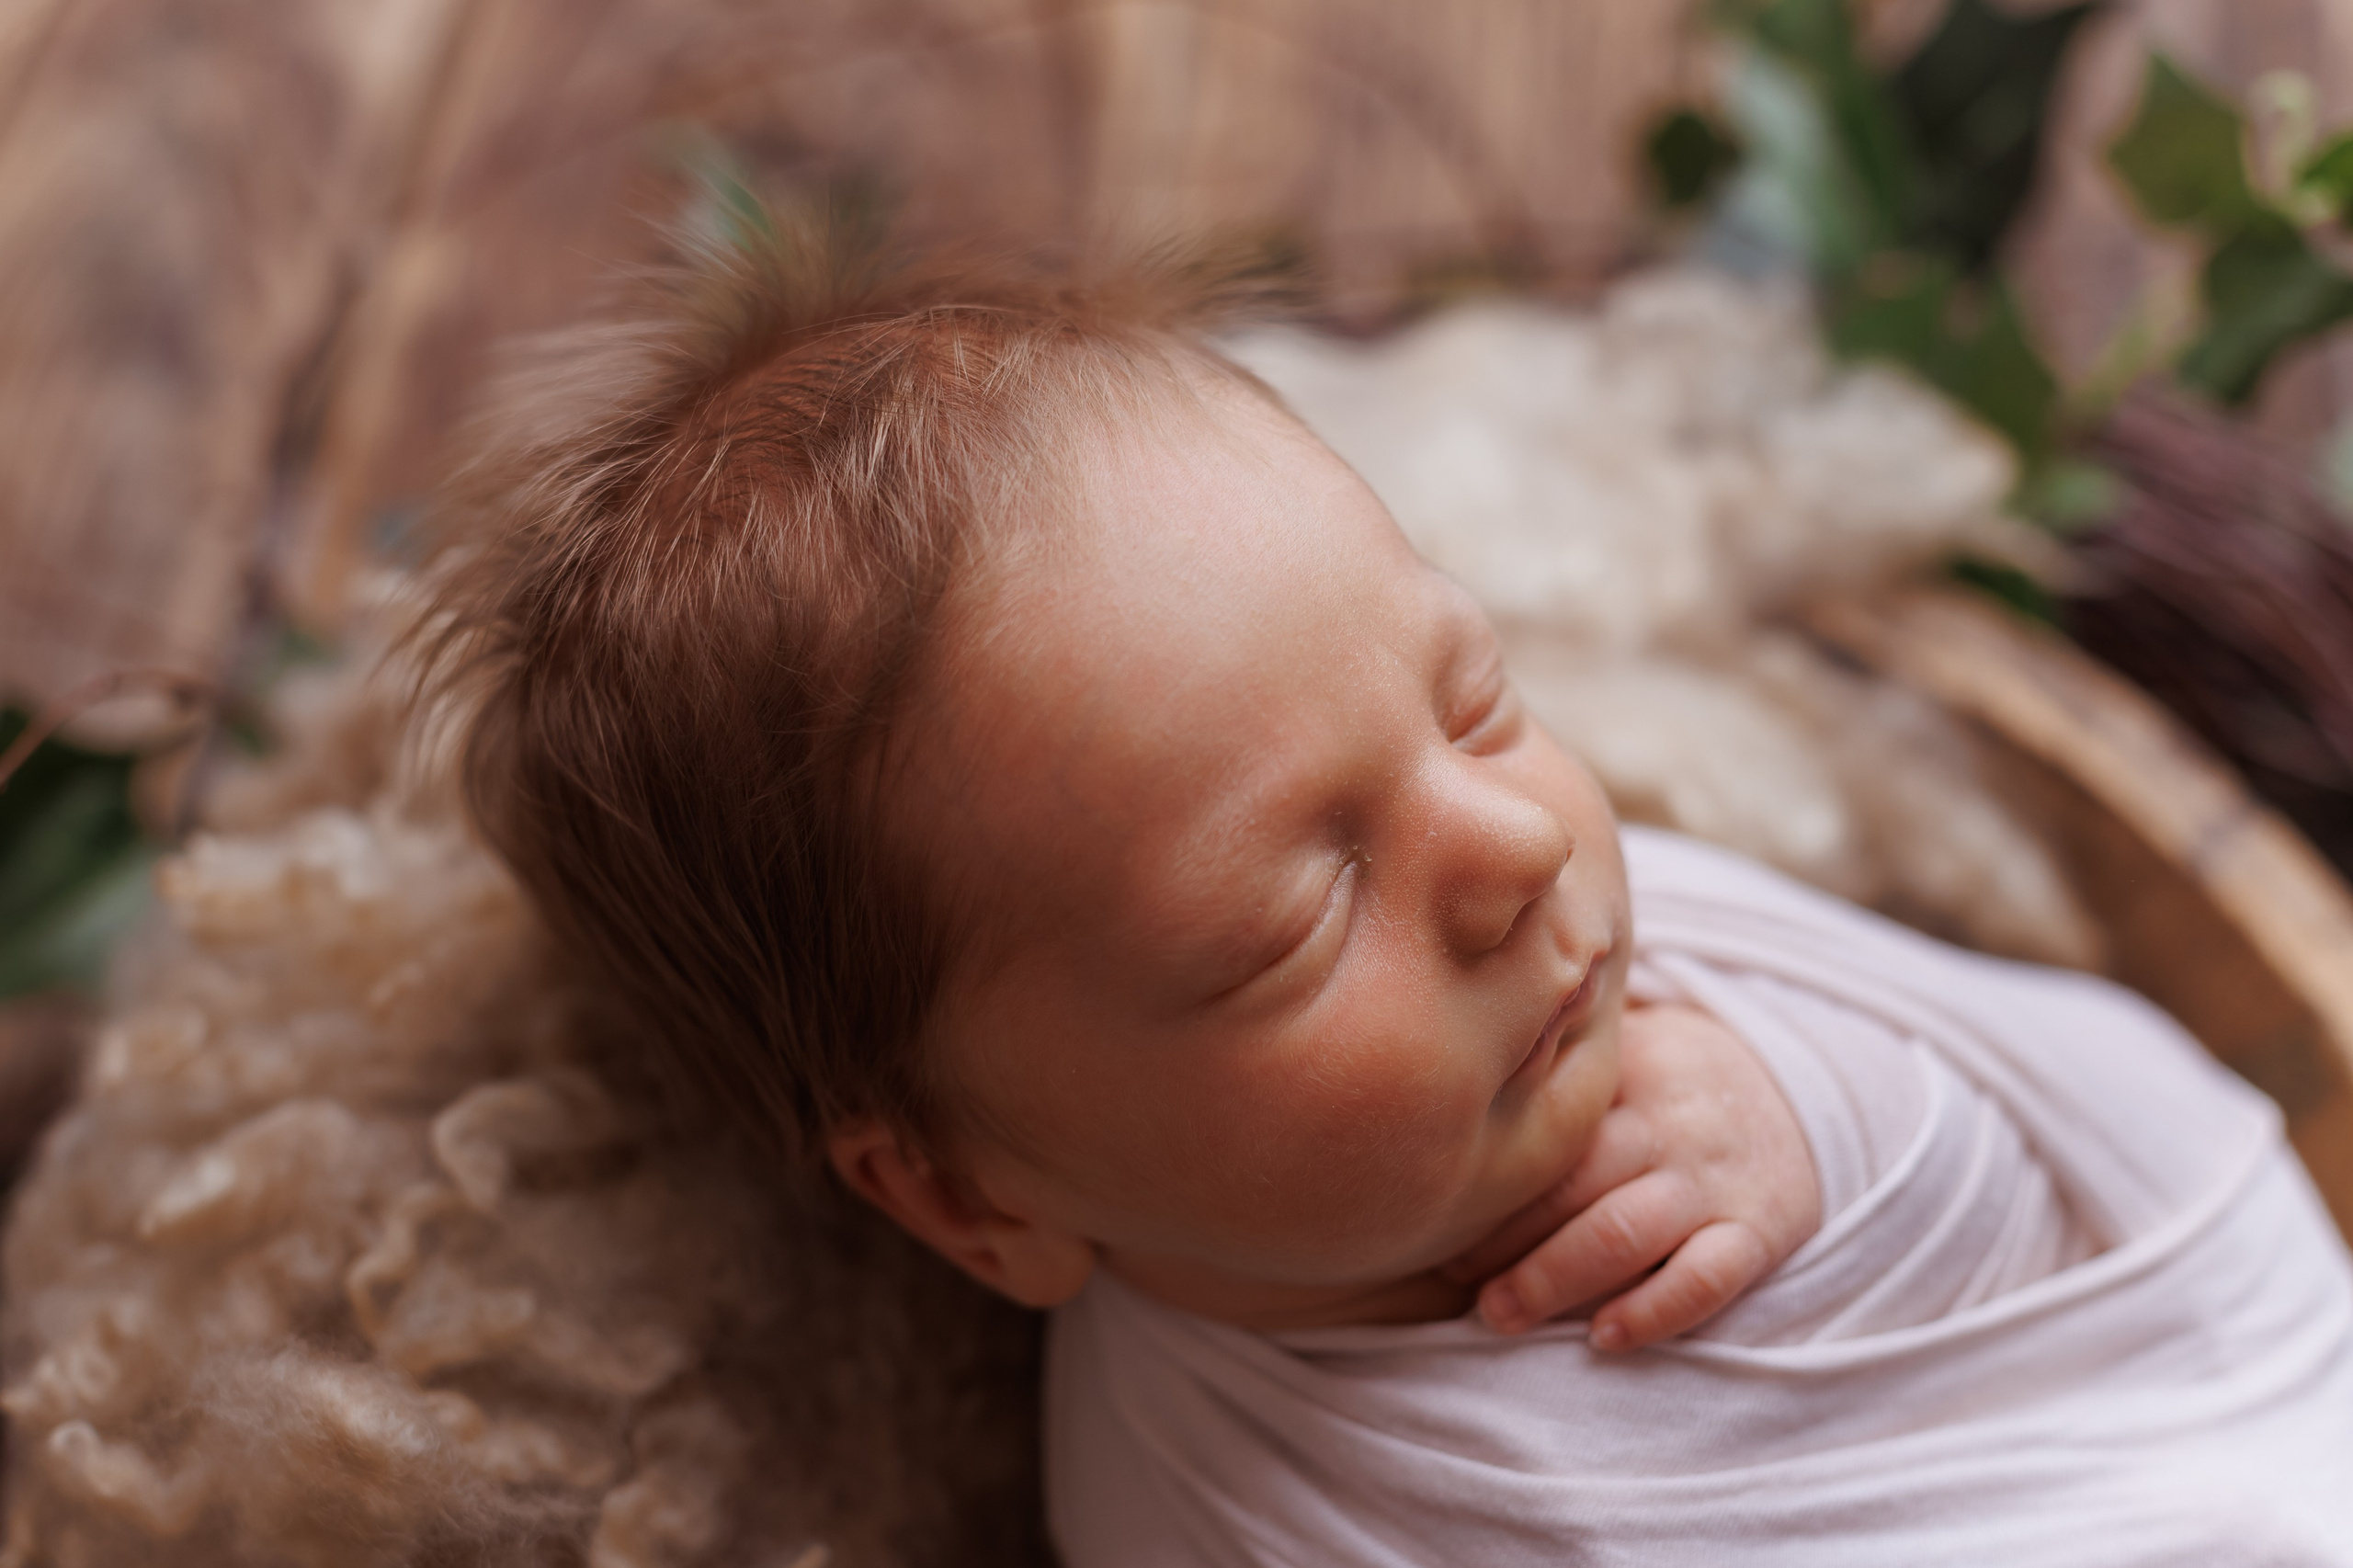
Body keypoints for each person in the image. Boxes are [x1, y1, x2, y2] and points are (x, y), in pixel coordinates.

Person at [426, 222, 2353, 1565]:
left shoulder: (1674, 982)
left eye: (1476, 696)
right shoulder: (1206, 1513)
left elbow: (2124, 1141)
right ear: (965, 1191)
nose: (1508, 851)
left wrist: (1824, 1127)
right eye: (1290, 917)